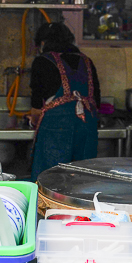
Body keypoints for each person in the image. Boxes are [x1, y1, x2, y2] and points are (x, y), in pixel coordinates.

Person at [29, 22, 100, 181]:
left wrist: (33, 119)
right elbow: (97, 100)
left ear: (42, 42)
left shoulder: (42, 61)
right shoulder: (87, 61)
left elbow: (36, 104)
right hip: (87, 127)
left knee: (51, 179)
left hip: (57, 129)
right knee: (83, 179)